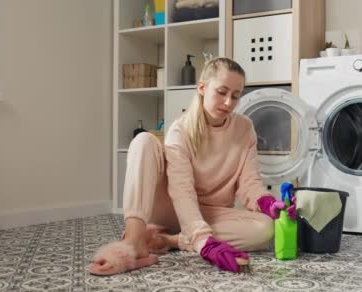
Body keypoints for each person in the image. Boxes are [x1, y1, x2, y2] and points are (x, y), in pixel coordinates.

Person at [89, 57, 295, 275]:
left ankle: (170, 240)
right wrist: (205, 244)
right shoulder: (181, 130)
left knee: (264, 229)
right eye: (222, 92)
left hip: (211, 212)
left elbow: (249, 183)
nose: (228, 103)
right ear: (202, 88)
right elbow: (182, 190)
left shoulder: (244, 128)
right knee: (144, 140)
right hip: (170, 207)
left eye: (235, 96)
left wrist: (268, 204)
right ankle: (133, 241)